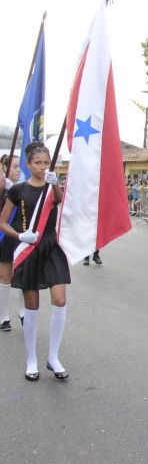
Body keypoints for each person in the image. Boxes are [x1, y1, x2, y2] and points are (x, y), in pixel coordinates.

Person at [0, 142, 71, 381]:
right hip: (29, 248)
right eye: (38, 163)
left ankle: (54, 356)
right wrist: (20, 236)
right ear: (28, 164)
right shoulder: (18, 190)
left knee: (60, 299)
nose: (42, 167)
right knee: (31, 305)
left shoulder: (52, 188)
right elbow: (2, 222)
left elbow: (59, 201)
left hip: (51, 247)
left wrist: (55, 183)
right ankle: (31, 359)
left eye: (46, 163)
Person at [0, 154, 23, 331]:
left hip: (21, 236)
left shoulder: (23, 188)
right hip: (5, 235)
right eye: (14, 166)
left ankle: (23, 312)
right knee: (5, 276)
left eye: (19, 166)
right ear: (5, 167)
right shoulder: (3, 188)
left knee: (23, 275)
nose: (17, 170)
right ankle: (3, 316)